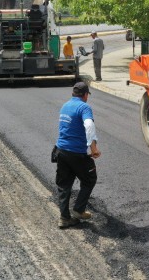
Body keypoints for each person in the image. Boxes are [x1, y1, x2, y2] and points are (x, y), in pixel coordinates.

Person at [55, 82, 100, 229]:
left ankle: (64, 218)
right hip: (76, 153)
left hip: (61, 151)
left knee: (64, 185)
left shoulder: (65, 106)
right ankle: (79, 210)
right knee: (89, 179)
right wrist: (93, 148)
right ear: (85, 95)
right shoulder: (84, 107)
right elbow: (89, 125)